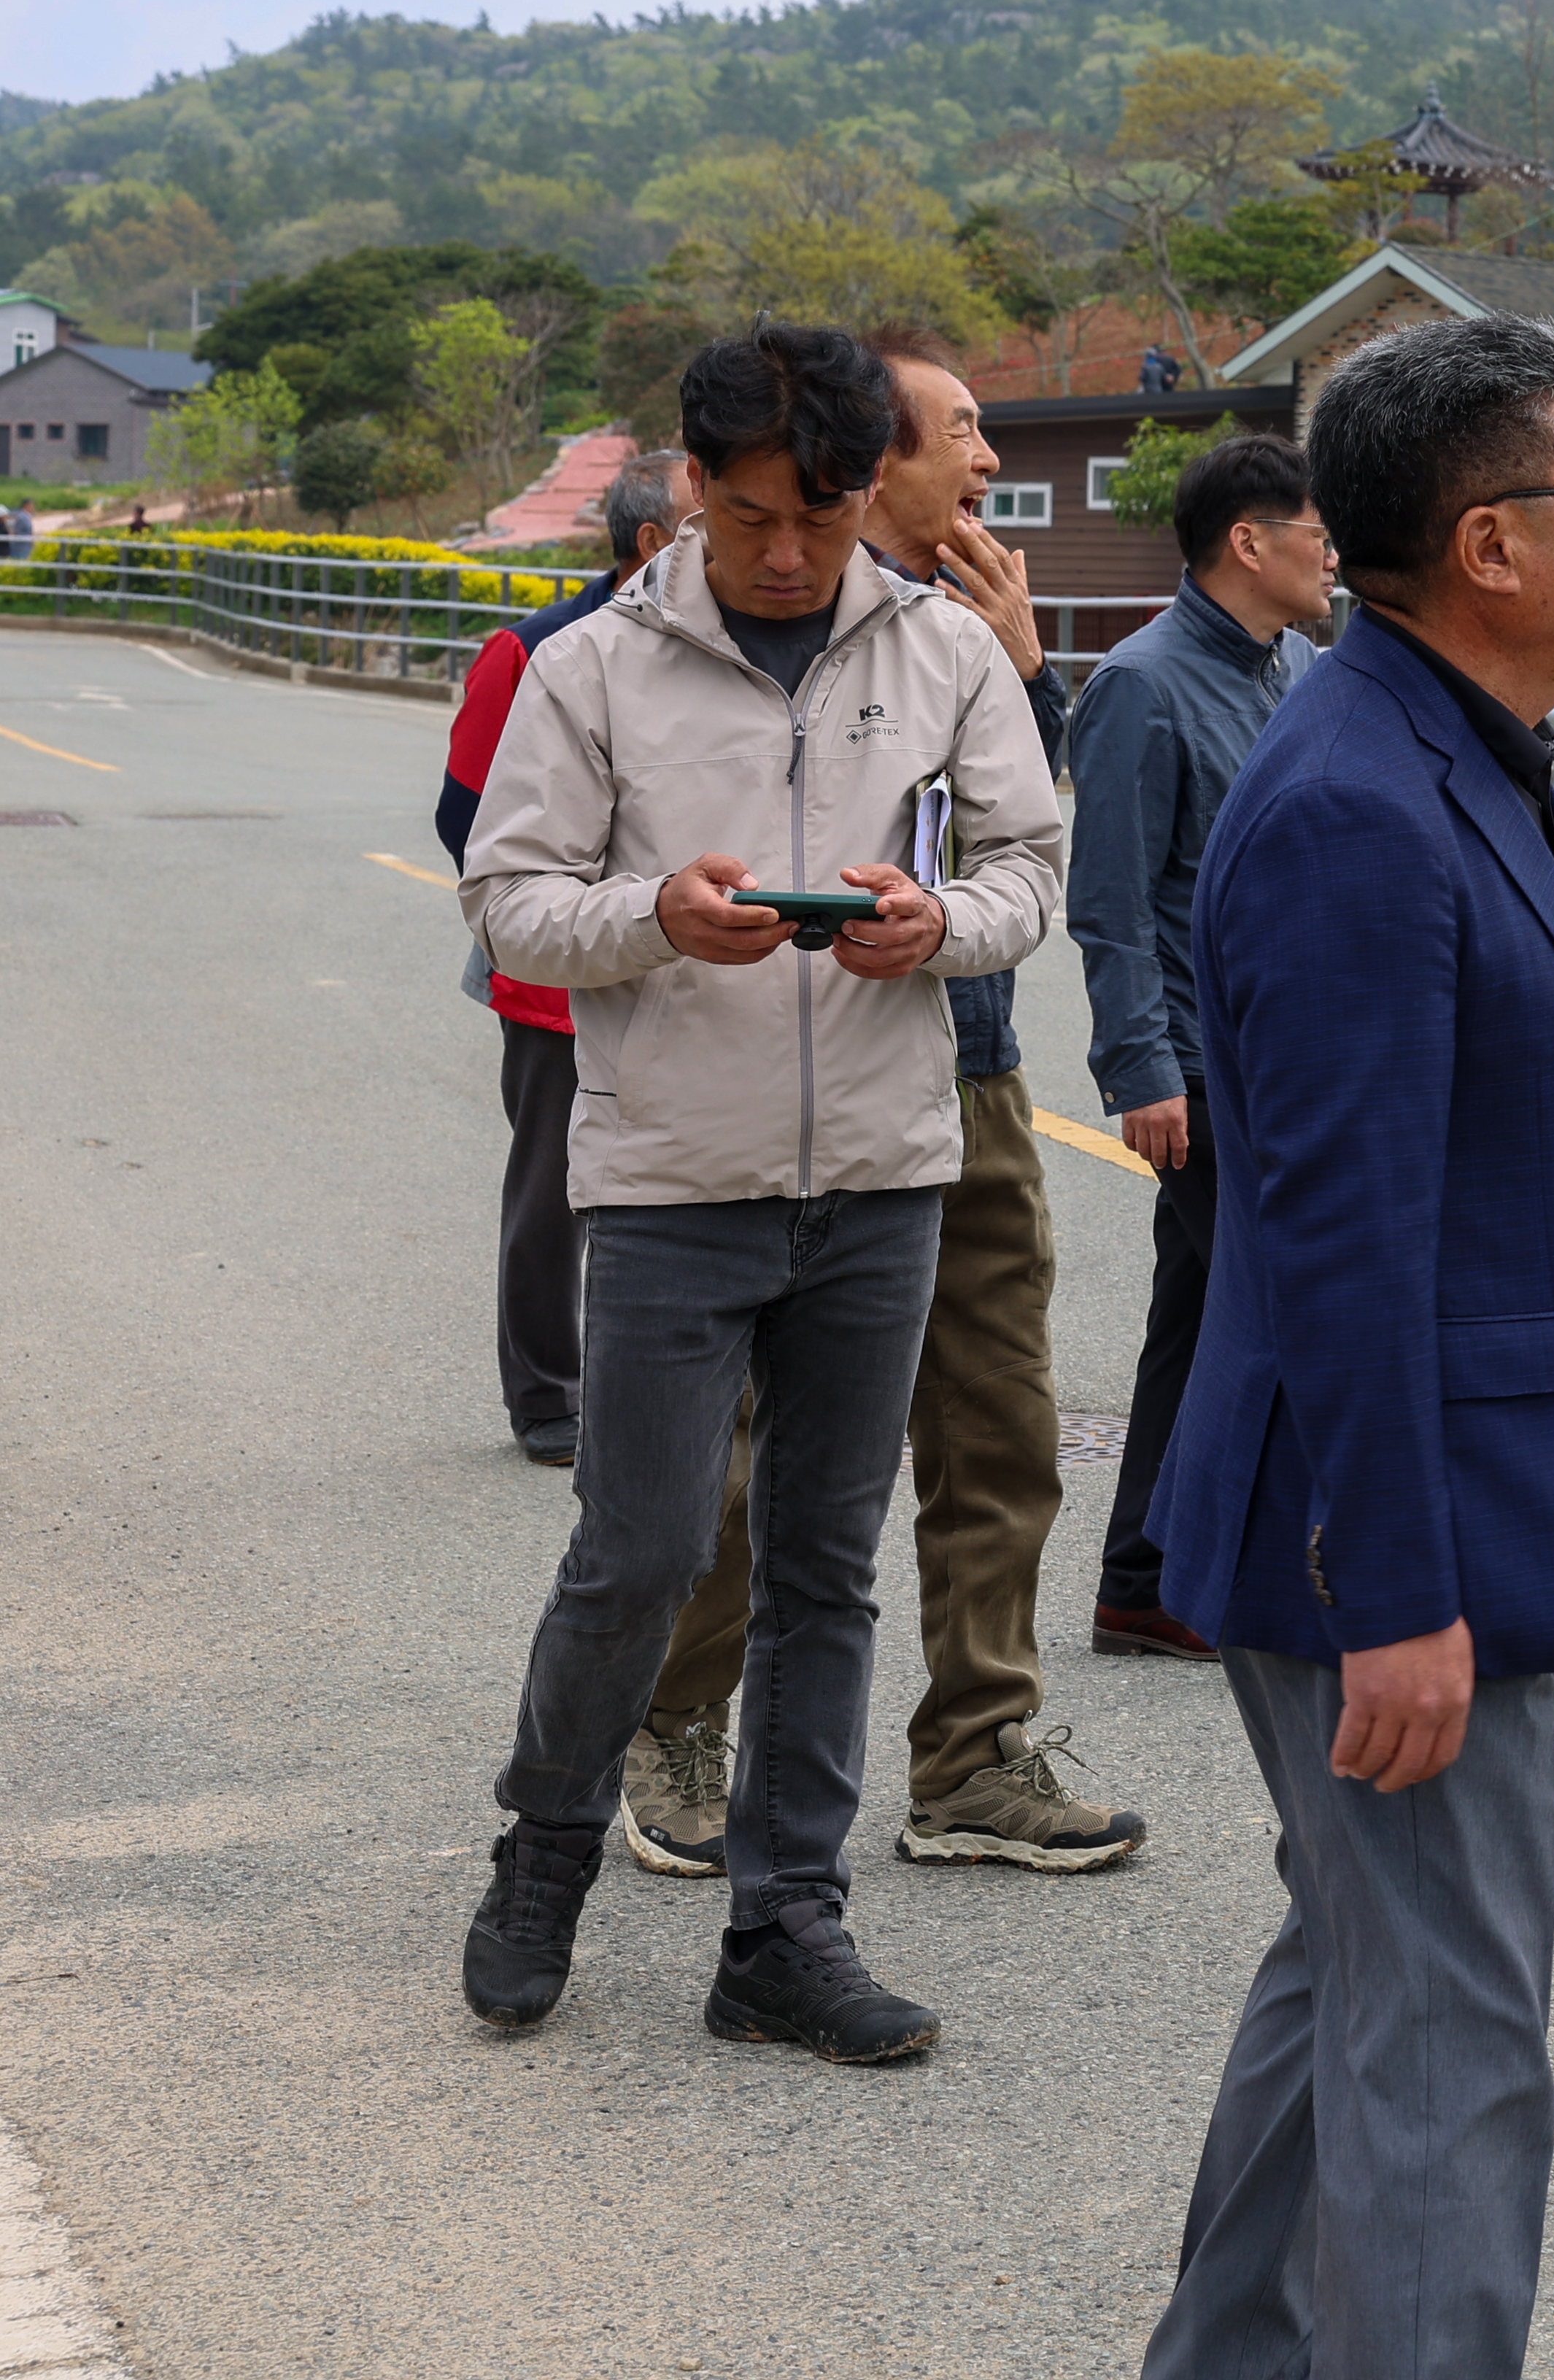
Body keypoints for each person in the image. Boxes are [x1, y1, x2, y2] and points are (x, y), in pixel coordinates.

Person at [1138, 318, 1554, 2380]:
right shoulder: (1358, 807)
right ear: (1489, 542)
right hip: (1396, 1544)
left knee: (1361, 1979)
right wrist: (1397, 1594)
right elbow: (1334, 1246)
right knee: (1451, 2051)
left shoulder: (1449, 741)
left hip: (1432, 1515)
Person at [453, 319, 1066, 2063]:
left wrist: (937, 926)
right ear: (690, 483)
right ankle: (542, 1855)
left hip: (881, 1173)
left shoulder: (944, 648)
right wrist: (658, 914)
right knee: (638, 1549)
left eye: (822, 514)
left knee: (824, 1561)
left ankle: (785, 1926)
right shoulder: (598, 667)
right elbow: (510, 894)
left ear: (871, 489)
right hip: (668, 1180)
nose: (788, 553)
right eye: (748, 518)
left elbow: (1030, 854)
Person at [622, 331, 1148, 1881]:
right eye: (963, 432)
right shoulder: (730, 626)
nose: (989, 463)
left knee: (999, 1418)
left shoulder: (971, 631)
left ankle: (976, 1752)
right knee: (750, 1441)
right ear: (864, 455)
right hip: (769, 1075)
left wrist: (1031, 677)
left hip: (967, 1069)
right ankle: (672, 1717)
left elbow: (1025, 854)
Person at [1070, 429, 1329, 1664]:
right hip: (1202, 1066)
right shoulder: (1143, 681)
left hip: (1289, 1059)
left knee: (1204, 1314)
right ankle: (1193, 1571)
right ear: (1249, 542)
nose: (1331, 557)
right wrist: (1141, 1070)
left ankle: (1148, 1577)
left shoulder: (1295, 672)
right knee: (1256, 1315)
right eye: (1316, 535)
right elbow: (1113, 898)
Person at [436, 447, 691, 1467]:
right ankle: (547, 1397)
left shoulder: (712, 650)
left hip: (689, 961)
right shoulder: (535, 650)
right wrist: (576, 904)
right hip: (556, 974)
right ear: (651, 544)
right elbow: (466, 815)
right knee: (556, 1186)